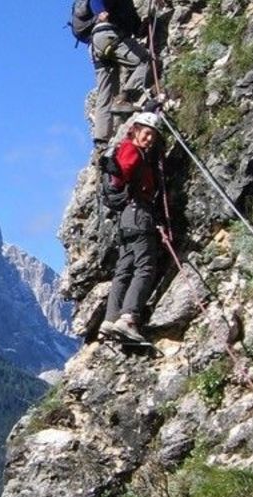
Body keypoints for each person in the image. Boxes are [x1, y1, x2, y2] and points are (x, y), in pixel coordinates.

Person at [98, 112, 166, 344]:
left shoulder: (133, 150)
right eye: (147, 134)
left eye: (153, 137)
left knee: (124, 268)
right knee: (145, 267)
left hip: (127, 218)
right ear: (136, 130)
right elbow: (124, 170)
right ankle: (128, 318)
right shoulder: (130, 150)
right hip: (140, 214)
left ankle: (110, 318)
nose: (149, 139)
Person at [89, 0, 152, 158]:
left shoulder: (126, 7)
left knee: (105, 93)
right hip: (109, 35)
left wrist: (144, 25)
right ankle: (125, 97)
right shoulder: (126, 5)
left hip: (96, 43)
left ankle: (101, 142)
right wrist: (100, 10)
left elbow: (137, 30)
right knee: (145, 60)